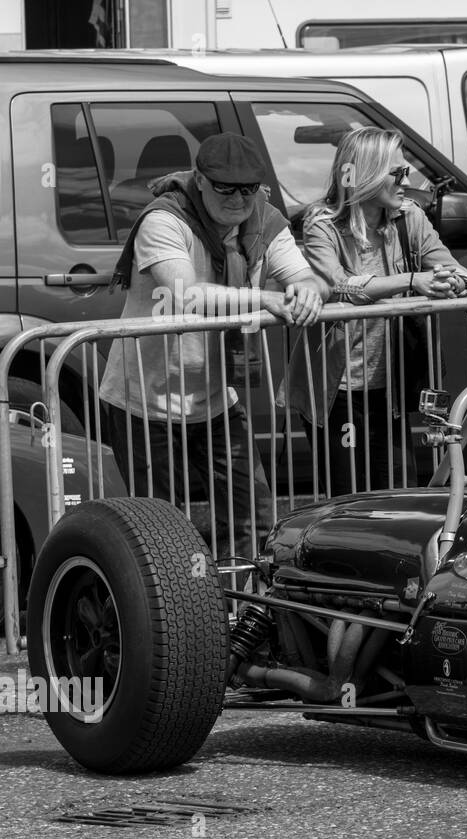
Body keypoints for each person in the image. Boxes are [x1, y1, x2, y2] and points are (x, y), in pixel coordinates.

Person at [101, 132, 328, 561]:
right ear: (199, 180)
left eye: (248, 188)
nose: (239, 199)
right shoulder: (164, 219)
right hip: (144, 401)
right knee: (159, 530)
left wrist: (308, 292)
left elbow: (307, 276)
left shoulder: (265, 219)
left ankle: (248, 613)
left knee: (256, 518)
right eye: (226, 188)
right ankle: (172, 622)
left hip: (218, 396)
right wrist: (266, 298)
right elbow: (186, 295)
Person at [291, 126, 467, 496]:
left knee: (400, 493)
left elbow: (459, 271)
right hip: (337, 391)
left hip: (391, 388)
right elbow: (341, 285)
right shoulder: (321, 224)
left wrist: (452, 281)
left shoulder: (410, 217)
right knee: (349, 500)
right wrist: (413, 281)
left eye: (407, 172)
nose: (407, 181)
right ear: (367, 174)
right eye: (397, 173)